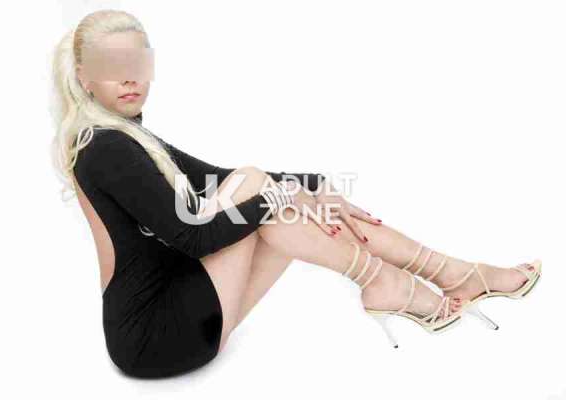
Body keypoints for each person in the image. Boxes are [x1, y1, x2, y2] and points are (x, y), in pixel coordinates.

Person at [50, 9, 542, 378]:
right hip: (157, 336)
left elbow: (216, 180)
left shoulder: (127, 136)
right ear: (84, 77)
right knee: (257, 187)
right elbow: (193, 237)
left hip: (184, 314)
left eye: (137, 61)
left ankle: (437, 275)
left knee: (263, 195)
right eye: (111, 64)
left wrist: (312, 186)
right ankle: (424, 277)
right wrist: (283, 195)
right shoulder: (105, 147)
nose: (130, 76)